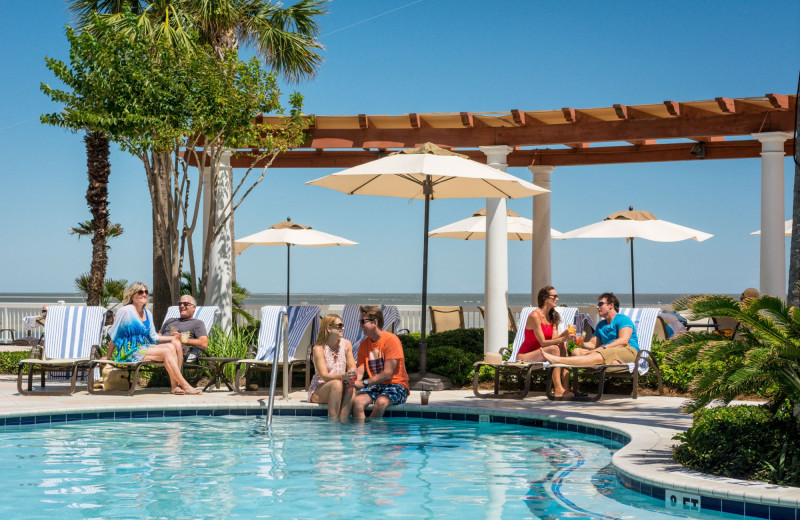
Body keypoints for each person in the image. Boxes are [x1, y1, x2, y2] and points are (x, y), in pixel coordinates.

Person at [106, 282, 201, 395]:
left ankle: (174, 387)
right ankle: (185, 385)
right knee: (167, 350)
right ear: (132, 295)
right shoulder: (126, 311)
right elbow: (115, 333)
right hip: (128, 351)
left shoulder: (148, 313)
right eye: (140, 292)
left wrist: (172, 338)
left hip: (143, 348)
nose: (144, 294)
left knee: (174, 344)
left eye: (146, 292)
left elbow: (154, 337)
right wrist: (107, 357)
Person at [541, 292, 639, 374]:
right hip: (607, 351)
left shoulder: (622, 319)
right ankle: (611, 361)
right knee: (576, 352)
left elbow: (623, 341)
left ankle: (558, 360)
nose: (597, 307)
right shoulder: (601, 324)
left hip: (627, 350)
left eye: (600, 304)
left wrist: (601, 349)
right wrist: (582, 343)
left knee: (598, 353)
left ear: (611, 305)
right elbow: (592, 344)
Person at [351, 306, 409, 419]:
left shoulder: (391, 340)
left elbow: (388, 373)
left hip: (397, 385)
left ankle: (374, 434)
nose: (360, 325)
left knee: (381, 402)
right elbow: (361, 370)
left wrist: (364, 383)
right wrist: (353, 382)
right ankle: (359, 434)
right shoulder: (363, 345)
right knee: (357, 402)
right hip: (377, 385)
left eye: (363, 321)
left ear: (375, 322)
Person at [517, 286, 572, 399]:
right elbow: (542, 342)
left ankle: (565, 388)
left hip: (542, 352)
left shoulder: (553, 316)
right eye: (554, 296)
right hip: (526, 355)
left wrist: (565, 335)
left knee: (562, 346)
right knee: (554, 348)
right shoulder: (535, 316)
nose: (557, 299)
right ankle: (557, 389)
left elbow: (554, 339)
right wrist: (561, 339)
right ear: (545, 298)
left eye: (557, 296)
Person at [308, 314, 357, 418]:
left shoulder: (347, 344)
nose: (342, 328)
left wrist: (351, 374)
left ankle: (344, 421)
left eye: (342, 325)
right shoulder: (319, 349)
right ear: (329, 328)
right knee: (336, 384)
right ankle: (333, 424)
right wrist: (343, 377)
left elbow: (352, 366)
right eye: (339, 326)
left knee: (350, 386)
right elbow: (324, 376)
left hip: (341, 385)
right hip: (321, 389)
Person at [158, 295, 209, 366]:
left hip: (177, 352)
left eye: (185, 304)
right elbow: (158, 336)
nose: (182, 306)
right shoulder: (170, 320)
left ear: (193, 307)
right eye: (180, 304)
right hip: (159, 350)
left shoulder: (197, 323)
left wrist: (183, 339)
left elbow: (204, 343)